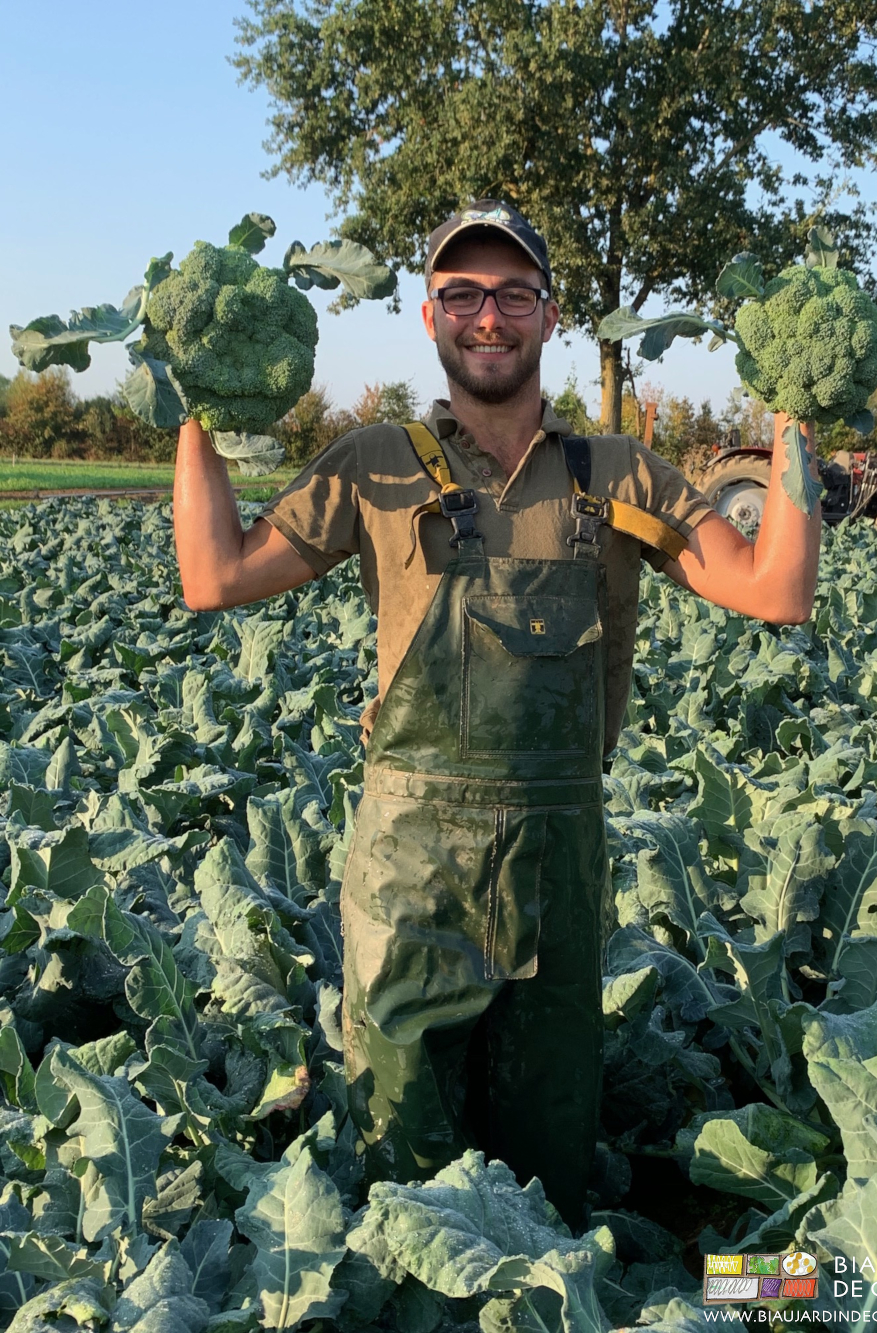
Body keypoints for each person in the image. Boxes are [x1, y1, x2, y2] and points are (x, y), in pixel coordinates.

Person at [173, 199, 821, 1229]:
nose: (487, 317)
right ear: (430, 317)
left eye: (512, 294)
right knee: (400, 1162)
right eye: (461, 295)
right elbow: (214, 575)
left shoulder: (618, 475)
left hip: (555, 874)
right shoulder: (373, 464)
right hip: (408, 879)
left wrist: (792, 416)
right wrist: (197, 402)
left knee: (545, 1165)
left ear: (549, 315)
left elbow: (778, 591)